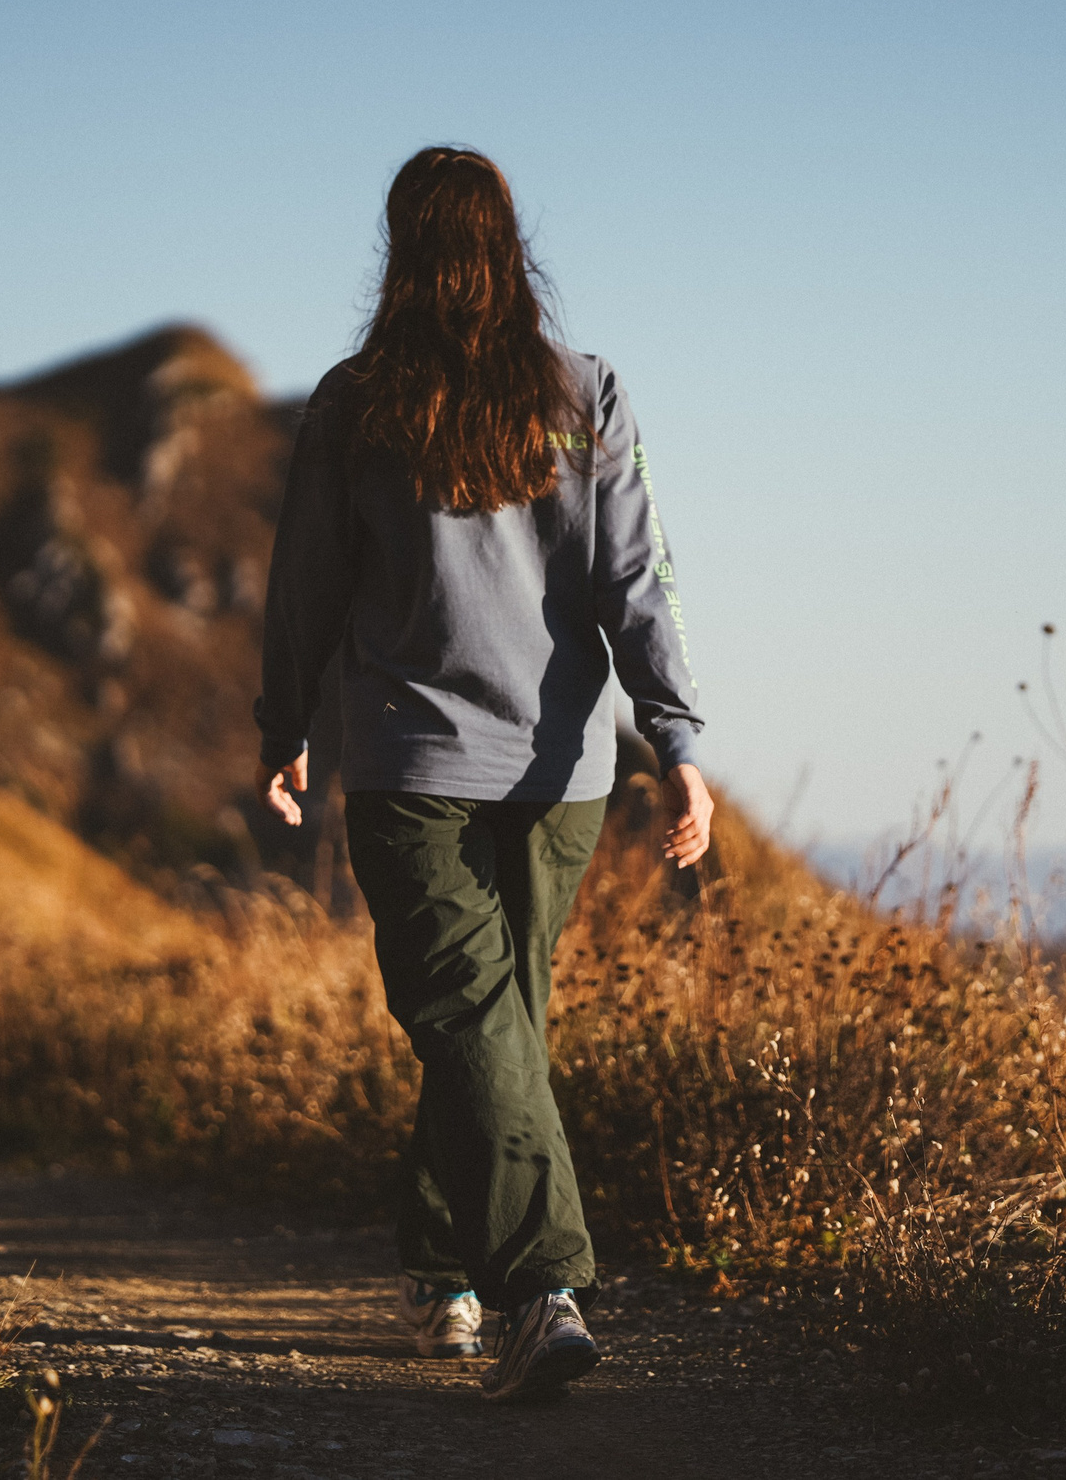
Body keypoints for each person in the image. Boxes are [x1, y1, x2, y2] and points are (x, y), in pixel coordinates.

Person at [255, 146, 711, 1405]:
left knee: (484, 1024)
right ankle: (540, 1290)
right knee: (479, 1021)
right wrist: (671, 739)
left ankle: (453, 1269)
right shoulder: (571, 388)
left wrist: (284, 717)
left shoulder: (366, 400)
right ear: (512, 248)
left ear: (400, 249)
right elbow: (643, 582)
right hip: (544, 772)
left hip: (440, 768)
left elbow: (304, 579)